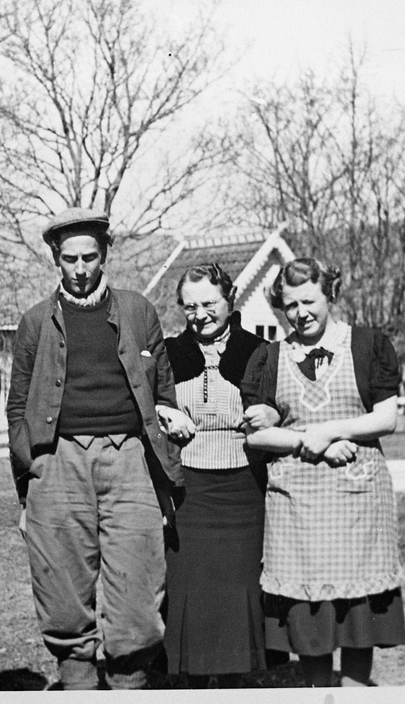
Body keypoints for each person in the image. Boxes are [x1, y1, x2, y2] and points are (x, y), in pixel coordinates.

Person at [6, 207, 197, 691]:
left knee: (138, 589)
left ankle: (130, 682)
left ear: (105, 254)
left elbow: (164, 392)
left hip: (129, 457)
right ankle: (78, 686)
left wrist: (169, 424)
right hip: (59, 461)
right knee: (62, 590)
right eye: (69, 258)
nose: (80, 268)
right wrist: (29, 488)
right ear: (56, 259)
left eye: (90, 256)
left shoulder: (137, 311)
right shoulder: (34, 323)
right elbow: (17, 410)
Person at [240, 257, 405, 688]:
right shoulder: (269, 357)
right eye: (291, 305)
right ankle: (318, 694)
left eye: (310, 301)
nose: (301, 313)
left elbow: (386, 418)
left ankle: (352, 694)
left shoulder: (368, 345)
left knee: (356, 617)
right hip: (298, 505)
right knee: (308, 619)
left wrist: (330, 431)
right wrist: (304, 440)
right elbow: (257, 436)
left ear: (330, 295)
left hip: (358, 500)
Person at [161, 263, 270, 687]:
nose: (200, 314)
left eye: (209, 303)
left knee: (235, 598)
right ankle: (192, 689)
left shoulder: (259, 351)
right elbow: (145, 406)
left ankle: (231, 689)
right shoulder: (169, 353)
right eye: (190, 306)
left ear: (231, 297)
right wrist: (163, 413)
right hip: (189, 491)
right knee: (191, 594)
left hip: (244, 490)